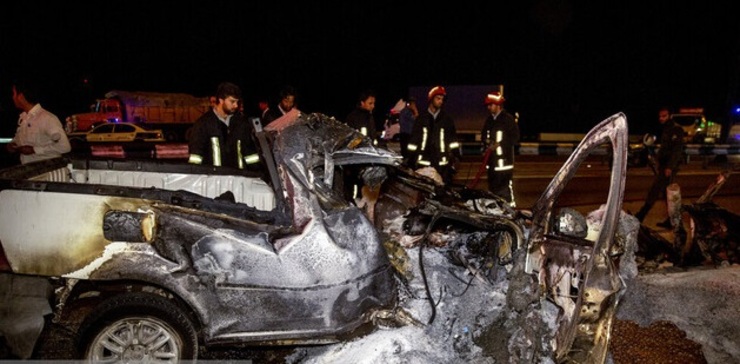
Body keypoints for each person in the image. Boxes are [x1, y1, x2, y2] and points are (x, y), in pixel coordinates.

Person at [188, 82, 260, 169]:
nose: (236, 105)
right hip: (214, 180)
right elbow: (196, 157)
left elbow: (250, 154)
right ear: (221, 100)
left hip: (238, 178)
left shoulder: (241, 123)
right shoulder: (203, 124)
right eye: (232, 101)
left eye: (237, 102)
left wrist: (258, 173)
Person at [634, 107, 685, 227]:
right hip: (664, 166)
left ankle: (641, 215)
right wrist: (657, 160)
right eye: (660, 116)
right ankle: (674, 221)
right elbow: (664, 148)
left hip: (669, 167)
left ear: (670, 116)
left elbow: (676, 151)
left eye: (664, 116)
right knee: (666, 195)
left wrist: (669, 167)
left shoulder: (676, 129)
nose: (661, 118)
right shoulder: (667, 129)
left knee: (655, 190)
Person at [7, 79, 71, 164]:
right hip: (28, 170)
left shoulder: (47, 118)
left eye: (14, 94)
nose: (12, 98)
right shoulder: (24, 118)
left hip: (47, 172)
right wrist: (13, 144)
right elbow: (21, 139)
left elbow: (65, 146)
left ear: (21, 97)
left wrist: (34, 150)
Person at [407, 85, 460, 185]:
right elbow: (413, 141)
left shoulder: (447, 120)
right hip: (424, 164)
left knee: (443, 194)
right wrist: (409, 159)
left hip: (442, 165)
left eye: (442, 99)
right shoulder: (421, 119)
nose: (440, 101)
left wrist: (456, 157)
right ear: (431, 99)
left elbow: (453, 141)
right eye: (438, 98)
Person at [480, 90, 520, 205]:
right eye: (488, 105)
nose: (488, 107)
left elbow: (515, 137)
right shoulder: (489, 120)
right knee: (493, 191)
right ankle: (496, 212)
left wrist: (500, 144)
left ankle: (511, 211)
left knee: (505, 191)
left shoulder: (508, 119)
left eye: (490, 105)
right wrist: (487, 142)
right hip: (492, 165)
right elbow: (484, 135)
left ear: (498, 105)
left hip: (504, 165)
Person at [398, 96, 418, 164]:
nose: (414, 105)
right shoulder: (406, 112)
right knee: (407, 153)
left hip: (407, 134)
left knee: (408, 152)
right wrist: (415, 110)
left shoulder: (406, 111)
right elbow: (416, 118)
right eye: (413, 104)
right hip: (406, 134)